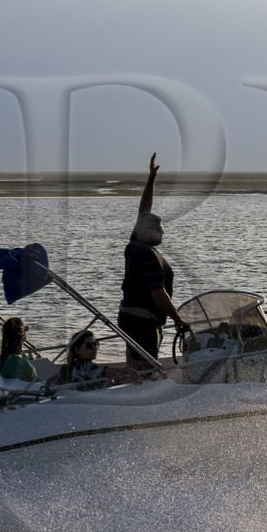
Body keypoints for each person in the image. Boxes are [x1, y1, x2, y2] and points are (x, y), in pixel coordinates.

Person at [118, 153, 190, 371]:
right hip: (143, 323)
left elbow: (144, 211)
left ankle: (133, 389)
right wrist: (177, 319)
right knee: (145, 370)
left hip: (130, 318)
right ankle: (140, 397)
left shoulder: (135, 246)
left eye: (162, 228)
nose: (162, 232)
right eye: (158, 229)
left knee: (136, 365)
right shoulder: (147, 255)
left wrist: (151, 178)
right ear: (144, 230)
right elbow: (158, 294)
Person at [49, 329, 143, 390]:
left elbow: (50, 382)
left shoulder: (68, 367)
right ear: (77, 350)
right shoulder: (85, 367)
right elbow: (106, 372)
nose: (94, 348)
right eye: (89, 345)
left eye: (96, 344)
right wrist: (128, 370)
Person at [0, 316, 40, 381]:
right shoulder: (13, 360)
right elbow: (21, 384)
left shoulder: (20, 354)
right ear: (21, 334)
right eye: (26, 329)